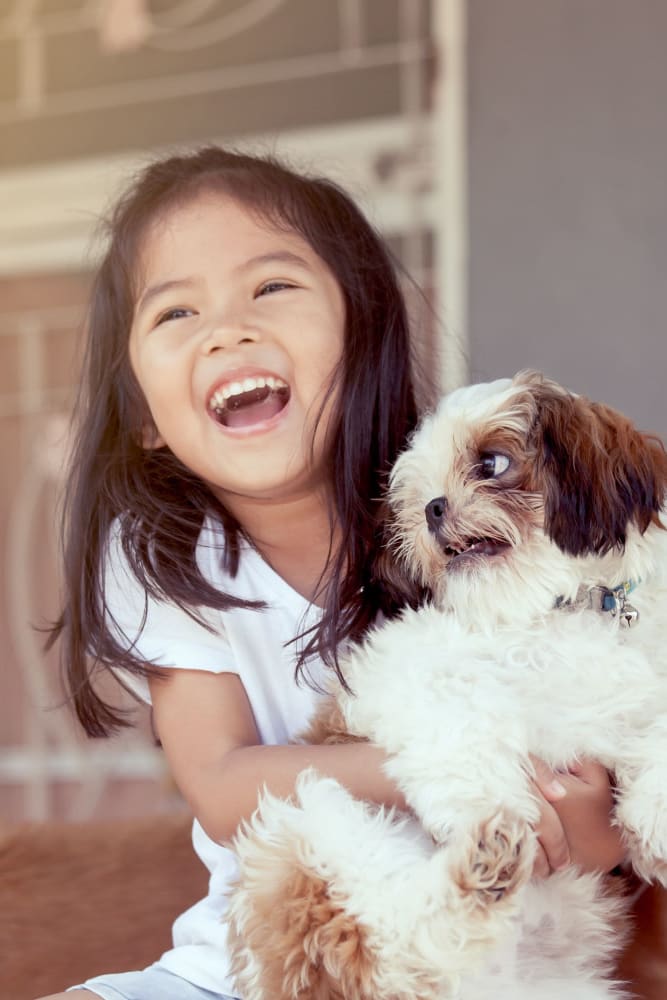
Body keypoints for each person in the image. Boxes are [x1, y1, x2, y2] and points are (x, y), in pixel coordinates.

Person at [38, 146, 624, 1000]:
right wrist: (447, 770)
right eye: (175, 313)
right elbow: (223, 785)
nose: (226, 330)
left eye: (270, 288)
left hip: (481, 964)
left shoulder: (463, 513)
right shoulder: (162, 551)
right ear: (143, 418)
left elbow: (598, 813)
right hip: (263, 964)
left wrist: (578, 819)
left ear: (363, 334)